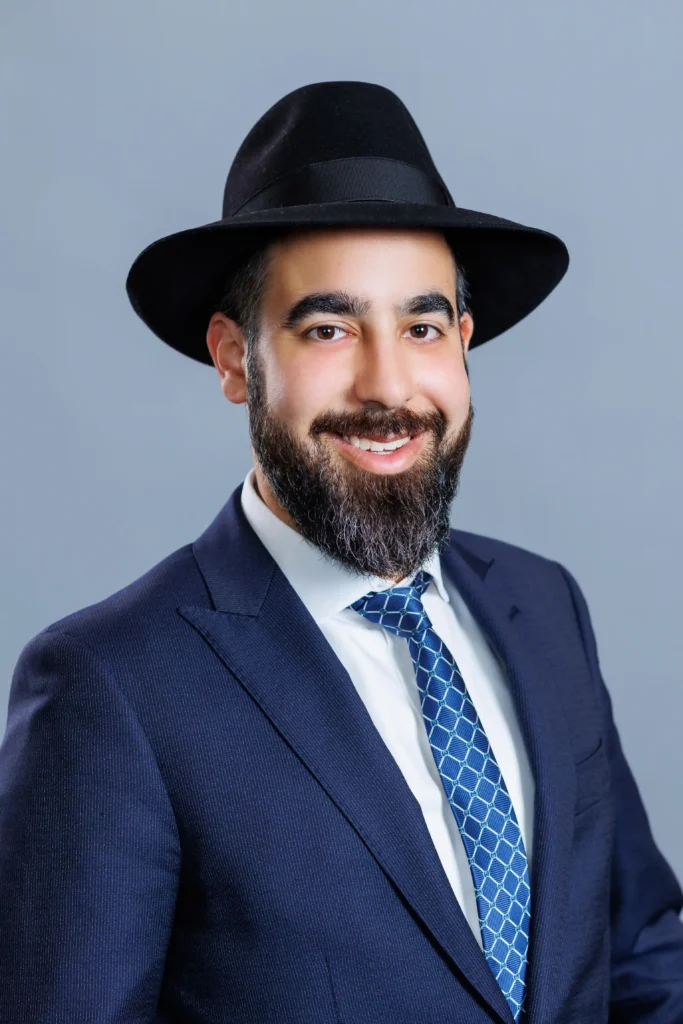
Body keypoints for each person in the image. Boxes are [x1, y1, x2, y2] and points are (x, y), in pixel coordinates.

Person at [0, 81, 681, 1024]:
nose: (387, 385)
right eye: (328, 329)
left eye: (421, 327)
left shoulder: (542, 606)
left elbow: (639, 951)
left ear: (462, 343)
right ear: (235, 359)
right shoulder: (110, 687)